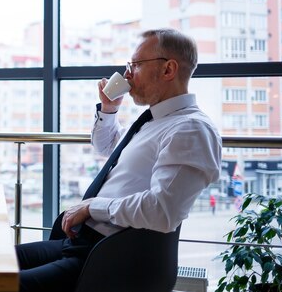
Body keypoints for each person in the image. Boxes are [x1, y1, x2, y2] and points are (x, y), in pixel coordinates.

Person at [15, 28, 222, 292]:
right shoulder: (155, 122)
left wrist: (92, 207)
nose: (126, 75)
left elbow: (163, 211)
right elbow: (107, 147)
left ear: (168, 70)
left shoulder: (190, 129)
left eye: (135, 65)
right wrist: (110, 109)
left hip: (106, 258)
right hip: (80, 243)